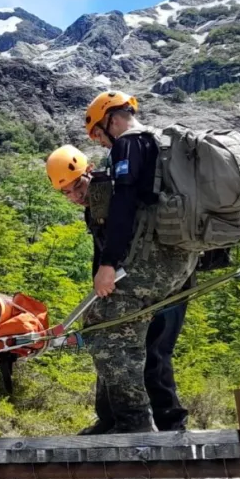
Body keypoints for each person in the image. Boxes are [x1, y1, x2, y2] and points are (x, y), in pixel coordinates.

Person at [46, 145, 190, 434]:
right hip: (146, 277)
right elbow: (102, 252)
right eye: (66, 193)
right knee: (110, 335)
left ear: (89, 171)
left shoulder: (115, 193)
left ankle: (158, 424)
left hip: (159, 278)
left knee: (147, 347)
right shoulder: (96, 203)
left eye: (77, 186)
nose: (75, 196)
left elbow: (119, 237)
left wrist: (107, 276)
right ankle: (115, 418)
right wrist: (97, 295)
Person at [79, 91, 198, 432]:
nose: (101, 142)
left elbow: (124, 206)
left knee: (103, 323)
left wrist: (108, 264)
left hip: (155, 261)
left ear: (112, 120)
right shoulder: (160, 143)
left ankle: (133, 422)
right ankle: (135, 419)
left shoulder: (128, 145)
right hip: (183, 260)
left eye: (99, 134)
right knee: (136, 330)